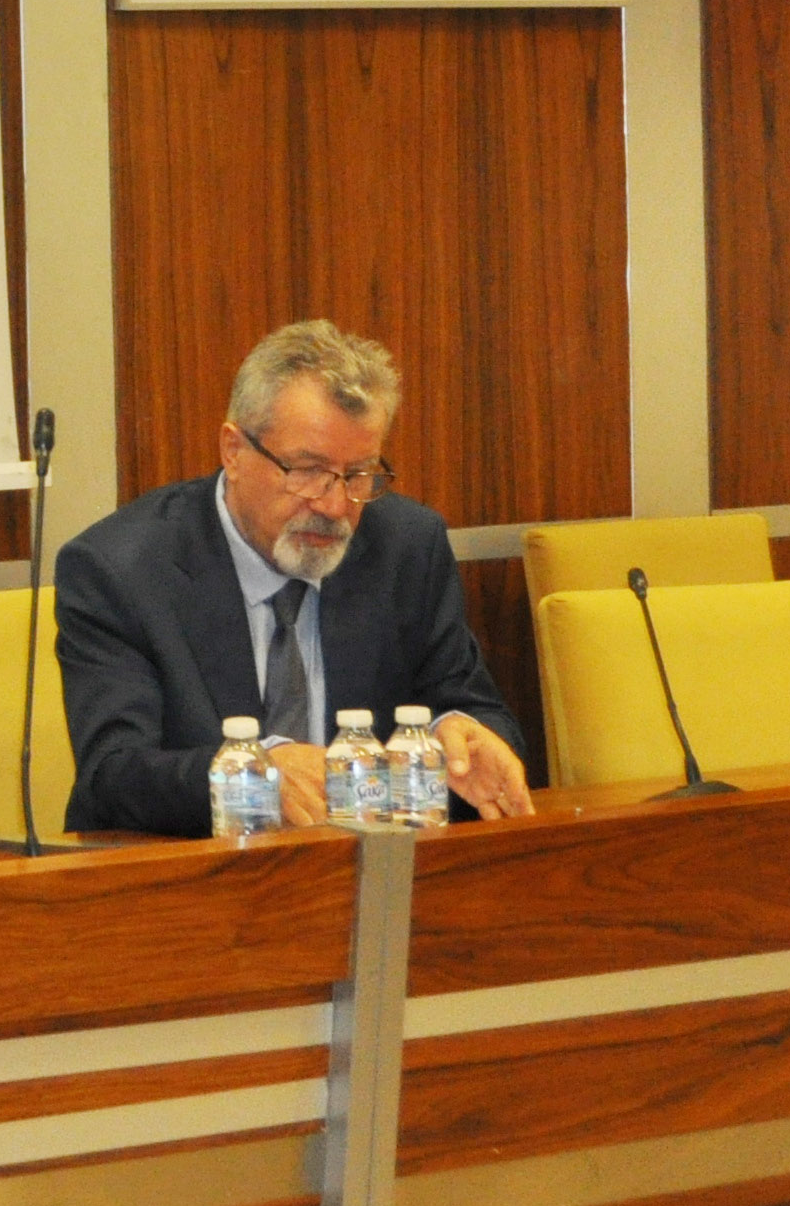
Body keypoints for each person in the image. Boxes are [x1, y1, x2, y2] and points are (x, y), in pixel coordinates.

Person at [57, 319, 534, 837]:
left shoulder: (406, 547)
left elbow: (475, 710)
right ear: (234, 451)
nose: (335, 506)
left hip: (373, 870)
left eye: (359, 474)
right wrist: (256, 775)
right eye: (307, 471)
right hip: (194, 871)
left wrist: (460, 737)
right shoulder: (119, 570)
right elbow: (114, 773)